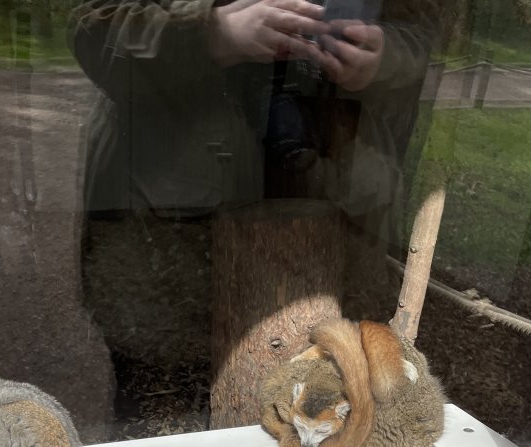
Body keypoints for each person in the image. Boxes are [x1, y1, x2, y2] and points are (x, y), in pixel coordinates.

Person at [68, 0, 442, 417]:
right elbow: (92, 30)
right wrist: (210, 34)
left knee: (329, 410)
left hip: (340, 206)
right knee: (161, 413)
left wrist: (384, 58)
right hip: (168, 232)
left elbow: (424, 36)